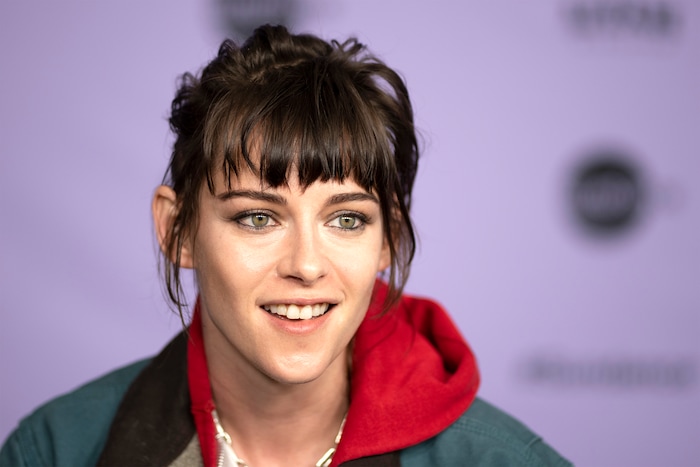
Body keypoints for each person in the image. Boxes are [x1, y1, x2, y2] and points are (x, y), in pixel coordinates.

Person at [0, 25, 571, 467]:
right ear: (178, 230)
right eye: (256, 217)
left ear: (387, 239)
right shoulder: (56, 449)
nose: (305, 265)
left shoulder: (500, 460)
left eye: (346, 220)